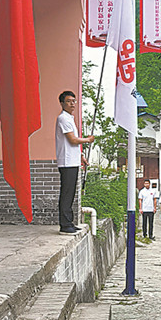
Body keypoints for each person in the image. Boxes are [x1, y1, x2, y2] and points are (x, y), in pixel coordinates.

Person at [55, 91, 94, 234]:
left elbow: (74, 143)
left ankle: (69, 222)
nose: (72, 104)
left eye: (74, 101)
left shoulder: (70, 118)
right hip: (66, 161)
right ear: (62, 103)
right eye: (69, 101)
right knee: (66, 193)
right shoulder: (63, 118)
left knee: (70, 193)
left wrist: (81, 156)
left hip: (73, 160)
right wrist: (88, 140)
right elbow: (72, 139)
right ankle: (65, 225)